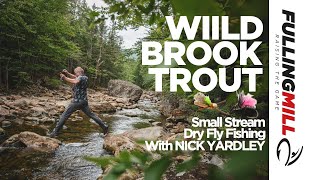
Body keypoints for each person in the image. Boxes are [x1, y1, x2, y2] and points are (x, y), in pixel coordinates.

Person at [49, 67, 108, 137]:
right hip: (84, 102)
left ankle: (55, 132)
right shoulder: (84, 77)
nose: (75, 74)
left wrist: (65, 78)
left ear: (79, 72)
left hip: (76, 102)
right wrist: (67, 73)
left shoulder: (80, 78)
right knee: (92, 115)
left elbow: (75, 81)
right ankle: (104, 126)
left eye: (75, 72)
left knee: (64, 116)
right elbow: (75, 77)